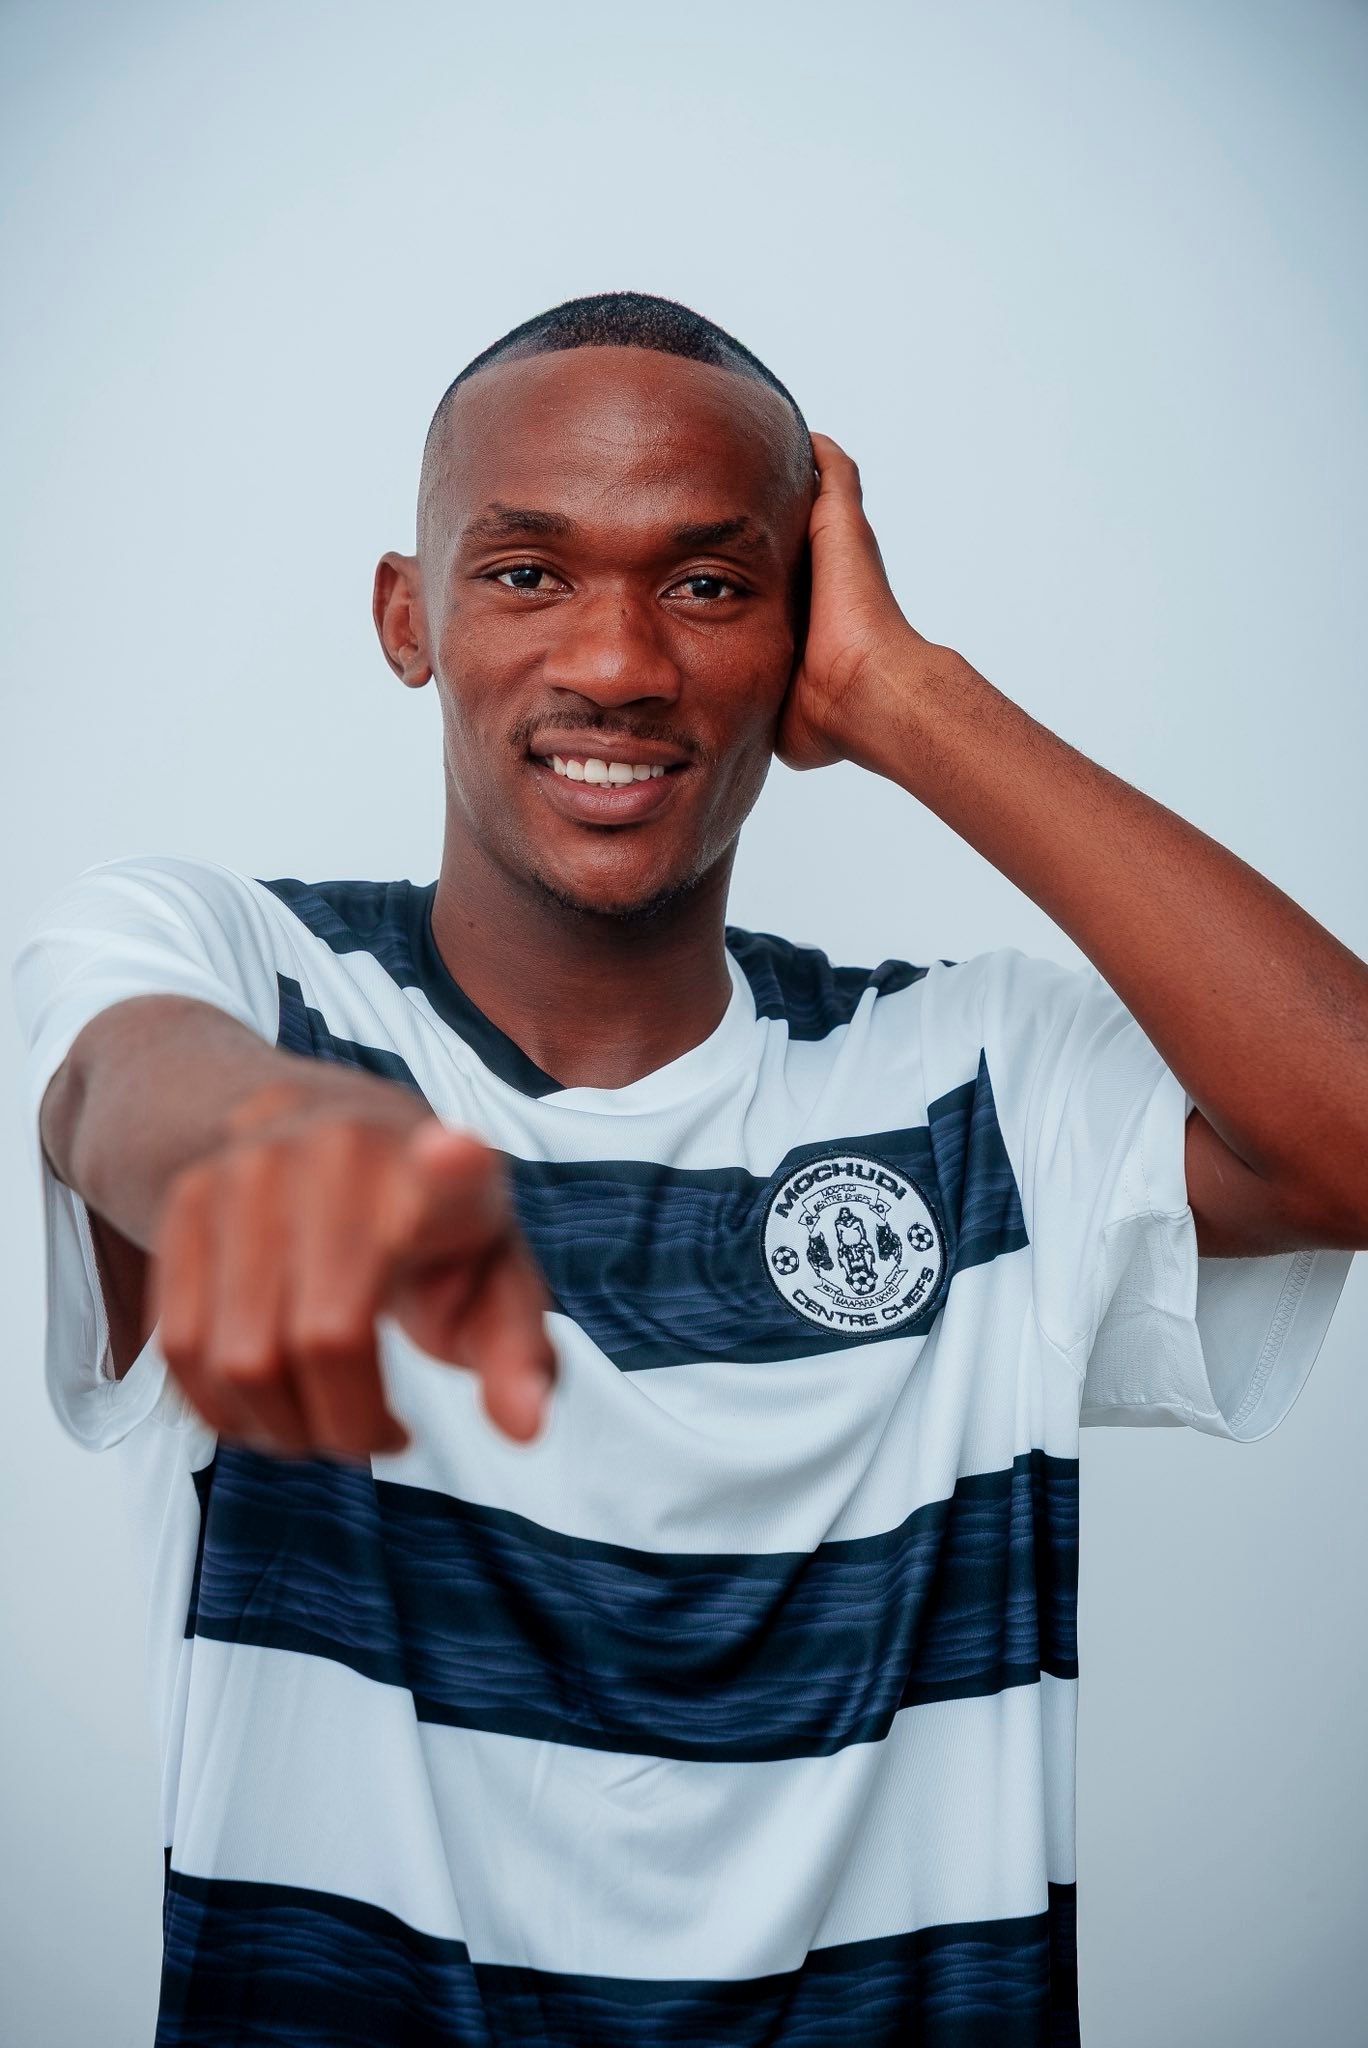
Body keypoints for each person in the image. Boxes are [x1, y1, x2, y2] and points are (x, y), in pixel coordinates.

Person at [12, 289, 1365, 2048]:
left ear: (799, 641)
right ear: (407, 615)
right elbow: (119, 1079)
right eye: (526, 572)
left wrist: (908, 695)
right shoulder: (246, 980)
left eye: (712, 586)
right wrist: (258, 1141)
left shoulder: (977, 1079)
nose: (618, 662)